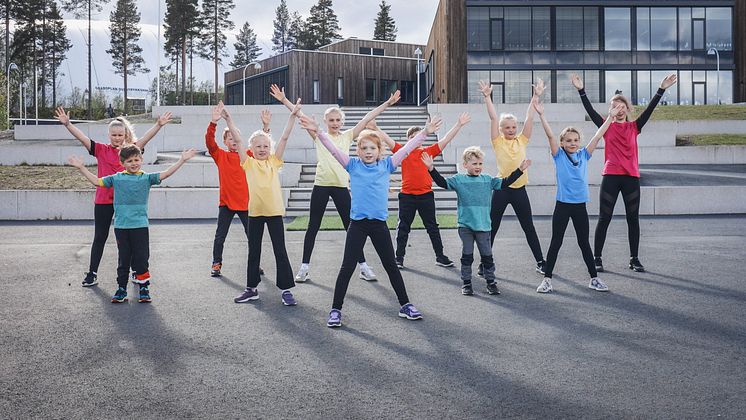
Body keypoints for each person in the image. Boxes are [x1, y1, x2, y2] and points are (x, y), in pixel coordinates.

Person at [299, 114, 442, 328]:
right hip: (357, 225)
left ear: (379, 151)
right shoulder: (352, 165)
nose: (368, 152)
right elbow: (332, 149)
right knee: (347, 267)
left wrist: (425, 133)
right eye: (364, 148)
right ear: (358, 151)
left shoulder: (387, 165)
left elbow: (406, 149)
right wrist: (318, 132)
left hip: (378, 225)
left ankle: (405, 305)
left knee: (391, 266)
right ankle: (336, 310)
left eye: (372, 148)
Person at [270, 84, 401, 283]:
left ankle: (363, 266)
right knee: (313, 225)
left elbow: (367, 118)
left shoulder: (348, 136)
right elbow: (300, 116)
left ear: (342, 121)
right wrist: (284, 100)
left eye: (338, 120)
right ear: (325, 121)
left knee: (351, 226)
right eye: (331, 120)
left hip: (341, 187)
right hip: (321, 185)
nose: (335, 123)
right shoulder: (318, 135)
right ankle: (304, 267)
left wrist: (388, 103)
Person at [54, 107, 172, 287]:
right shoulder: (100, 150)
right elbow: (82, 138)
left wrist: (158, 124)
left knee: (130, 239)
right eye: (114, 135)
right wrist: (68, 124)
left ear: (125, 135)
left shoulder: (129, 152)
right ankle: (92, 273)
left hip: (126, 204)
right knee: (99, 237)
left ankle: (135, 272)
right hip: (103, 200)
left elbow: (145, 138)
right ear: (109, 135)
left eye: (120, 135)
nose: (117, 138)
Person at [571, 73, 677, 272]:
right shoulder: (606, 127)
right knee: (604, 218)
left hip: (631, 178)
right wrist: (581, 91)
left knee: (632, 218)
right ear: (611, 109)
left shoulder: (634, 126)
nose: (619, 110)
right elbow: (590, 110)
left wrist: (661, 89)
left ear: (627, 109)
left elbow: (650, 109)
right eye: (615, 106)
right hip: (611, 176)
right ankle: (597, 258)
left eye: (622, 106)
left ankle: (634, 258)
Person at [68, 146, 196, 303]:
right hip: (122, 227)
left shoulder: (147, 178)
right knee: (124, 260)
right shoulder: (116, 178)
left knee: (141, 259)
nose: (134, 163)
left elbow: (166, 173)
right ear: (122, 163)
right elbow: (97, 181)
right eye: (129, 161)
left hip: (140, 226)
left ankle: (144, 288)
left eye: (136, 160)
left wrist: (182, 160)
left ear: (141, 160)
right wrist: (81, 168)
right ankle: (121, 289)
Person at [532, 99, 624, 293]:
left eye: (575, 140)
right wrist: (541, 115)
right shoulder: (558, 155)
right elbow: (550, 136)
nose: (573, 143)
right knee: (556, 241)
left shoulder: (584, 154)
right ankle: (547, 279)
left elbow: (599, 135)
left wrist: (611, 118)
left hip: (579, 205)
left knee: (584, 242)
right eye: (568, 141)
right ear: (562, 143)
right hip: (563, 205)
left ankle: (594, 278)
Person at [223, 100, 302, 306]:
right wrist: (229, 119)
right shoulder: (247, 163)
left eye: (265, 146)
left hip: (275, 212)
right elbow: (238, 141)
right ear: (251, 149)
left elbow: (284, 137)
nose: (262, 149)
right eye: (257, 146)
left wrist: (292, 115)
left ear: (270, 148)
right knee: (253, 251)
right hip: (255, 213)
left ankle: (286, 290)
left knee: (280, 250)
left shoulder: (274, 161)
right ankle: (251, 289)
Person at [422, 149, 529, 296]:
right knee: (467, 255)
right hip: (465, 226)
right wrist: (431, 169)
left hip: (483, 226)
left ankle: (491, 282)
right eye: (474, 163)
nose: (478, 166)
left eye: (480, 163)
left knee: (487, 256)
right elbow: (442, 183)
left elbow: (505, 183)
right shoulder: (459, 180)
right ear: (465, 165)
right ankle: (466, 283)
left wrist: (519, 170)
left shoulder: (487, 180)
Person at [375, 114, 470, 269]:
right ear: (408, 140)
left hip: (425, 196)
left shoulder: (428, 151)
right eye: (411, 137)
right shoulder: (402, 151)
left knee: (432, 227)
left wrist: (458, 124)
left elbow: (445, 139)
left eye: (416, 137)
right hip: (407, 197)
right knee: (403, 227)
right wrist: (376, 128)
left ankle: (440, 256)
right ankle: (398, 258)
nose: (414, 140)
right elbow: (386, 139)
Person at [478, 80, 546, 276]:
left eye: (513, 126)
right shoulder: (497, 142)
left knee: (528, 227)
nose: (511, 129)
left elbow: (530, 117)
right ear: (501, 130)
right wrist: (487, 97)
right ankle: (485, 263)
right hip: (501, 190)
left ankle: (541, 261)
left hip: (519, 191)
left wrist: (536, 96)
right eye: (507, 127)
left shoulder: (522, 140)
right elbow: (492, 118)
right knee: (493, 227)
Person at [205, 101, 269, 277]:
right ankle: (216, 263)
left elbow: (261, 145)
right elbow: (210, 142)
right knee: (220, 236)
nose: (233, 141)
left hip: (246, 204)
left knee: (253, 237)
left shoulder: (247, 155)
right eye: (230, 138)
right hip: (226, 203)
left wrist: (265, 126)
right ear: (225, 141)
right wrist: (214, 122)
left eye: (236, 137)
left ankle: (255, 265)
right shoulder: (221, 155)